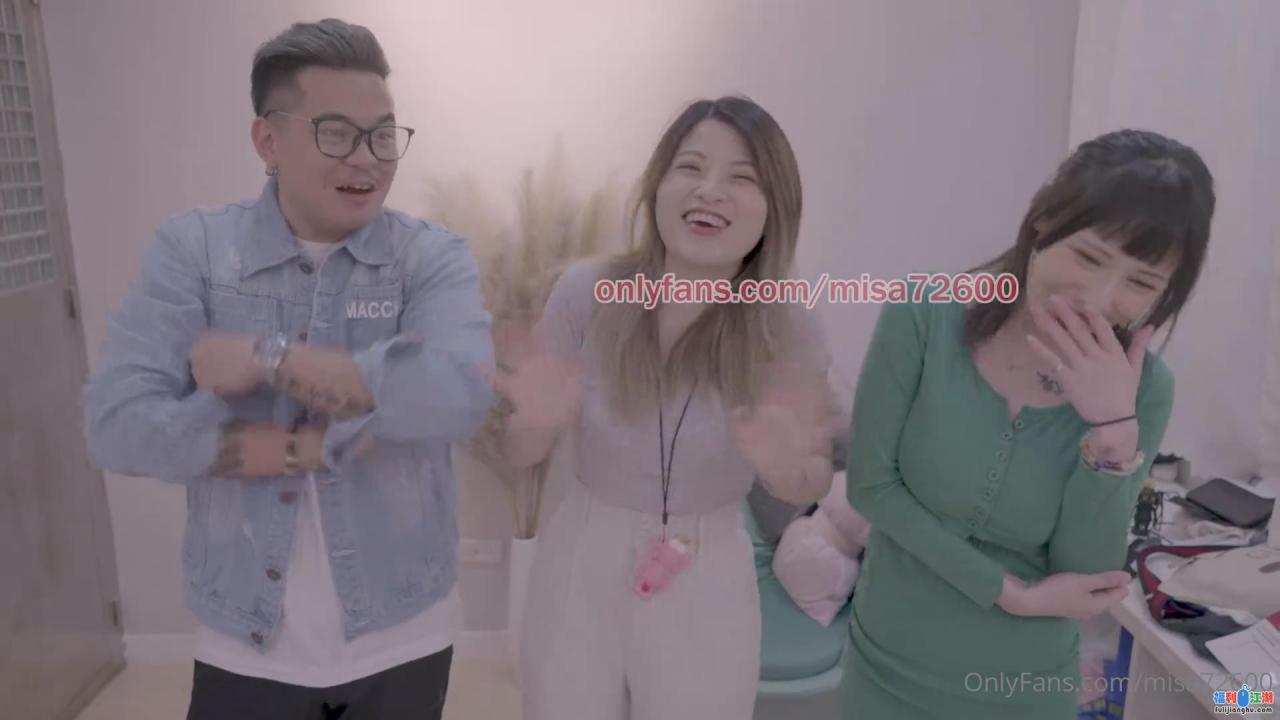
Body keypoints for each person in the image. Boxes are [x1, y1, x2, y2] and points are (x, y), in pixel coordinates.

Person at [83, 18, 492, 720]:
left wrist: (266, 359)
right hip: (245, 635)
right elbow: (117, 427)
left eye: (383, 135)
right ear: (267, 139)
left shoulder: (429, 257)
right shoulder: (194, 252)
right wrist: (305, 445)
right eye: (336, 133)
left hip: (404, 627)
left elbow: (455, 395)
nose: (366, 159)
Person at [839, 129, 1215, 719]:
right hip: (887, 667)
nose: (1099, 297)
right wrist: (1010, 593)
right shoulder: (924, 314)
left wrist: (1112, 433)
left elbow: (1085, 576)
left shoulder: (1145, 389)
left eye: (1141, 283)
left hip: (1024, 690)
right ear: (1043, 221)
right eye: (1089, 257)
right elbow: (870, 486)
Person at [488, 95, 835, 720]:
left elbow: (809, 480)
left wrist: (787, 470)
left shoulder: (786, 326)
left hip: (709, 569)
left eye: (741, 178)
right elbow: (520, 452)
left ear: (774, 208)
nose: (709, 191)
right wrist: (534, 425)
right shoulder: (587, 292)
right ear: (657, 185)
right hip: (582, 557)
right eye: (690, 167)